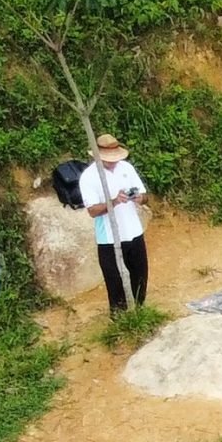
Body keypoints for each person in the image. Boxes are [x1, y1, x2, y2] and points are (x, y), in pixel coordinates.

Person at [77, 133, 150, 315]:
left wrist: (139, 198)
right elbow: (92, 210)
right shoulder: (89, 177)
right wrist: (114, 201)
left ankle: (139, 310)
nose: (113, 162)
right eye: (109, 159)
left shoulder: (126, 168)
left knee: (140, 274)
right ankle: (118, 317)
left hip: (133, 230)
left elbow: (145, 195)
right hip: (108, 237)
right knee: (114, 280)